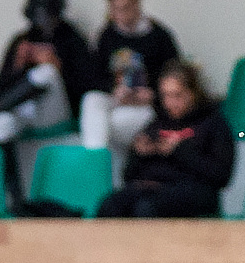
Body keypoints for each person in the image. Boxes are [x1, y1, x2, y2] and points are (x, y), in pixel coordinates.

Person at [0, 0, 104, 213]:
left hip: (57, 111)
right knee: (0, 125)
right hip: (24, 110)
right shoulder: (21, 41)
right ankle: (16, 200)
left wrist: (58, 65)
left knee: (46, 73)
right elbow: (1, 88)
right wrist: (18, 66)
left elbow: (88, 85)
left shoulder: (72, 39)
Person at [94, 60, 234, 219]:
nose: (170, 103)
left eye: (177, 95)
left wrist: (179, 150)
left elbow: (221, 176)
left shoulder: (213, 124)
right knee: (110, 206)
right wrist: (139, 153)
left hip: (194, 190)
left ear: (193, 93)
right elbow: (128, 176)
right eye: (165, 96)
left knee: (146, 209)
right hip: (151, 187)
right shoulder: (157, 123)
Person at [84, 0, 182, 152]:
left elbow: (174, 75)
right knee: (91, 101)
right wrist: (114, 89)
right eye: (116, 9)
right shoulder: (107, 36)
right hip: (118, 97)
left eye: (126, 8)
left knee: (115, 122)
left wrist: (153, 93)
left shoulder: (159, 36)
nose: (122, 15)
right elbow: (93, 76)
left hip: (146, 103)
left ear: (137, 4)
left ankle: (101, 156)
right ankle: (95, 157)